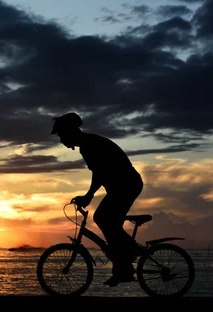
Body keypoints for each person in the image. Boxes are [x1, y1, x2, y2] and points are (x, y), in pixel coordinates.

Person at [50, 112, 144, 287]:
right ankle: (124, 263)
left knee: (103, 219)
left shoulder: (89, 145)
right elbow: (98, 173)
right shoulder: (88, 143)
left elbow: (99, 173)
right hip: (122, 186)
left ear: (70, 132)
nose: (61, 141)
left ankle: (126, 259)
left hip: (127, 185)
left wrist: (89, 195)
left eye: (62, 136)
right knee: (107, 221)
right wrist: (88, 195)